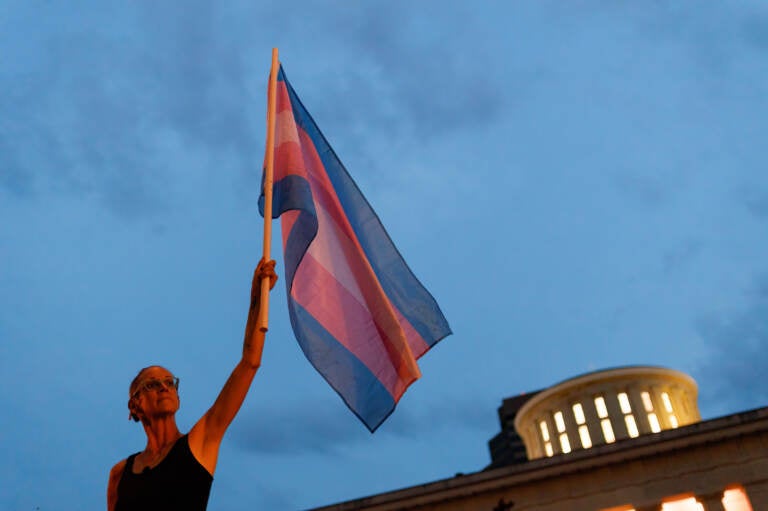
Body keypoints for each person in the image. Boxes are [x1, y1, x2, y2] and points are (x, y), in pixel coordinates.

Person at [107, 259, 278, 511]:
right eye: (152, 384)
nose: (164, 387)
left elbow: (250, 363)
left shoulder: (200, 442)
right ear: (135, 404)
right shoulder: (120, 474)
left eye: (169, 382)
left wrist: (257, 298)